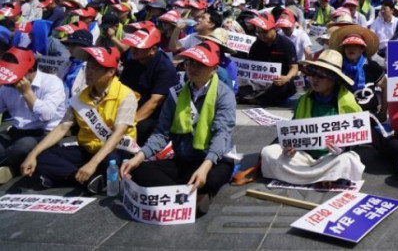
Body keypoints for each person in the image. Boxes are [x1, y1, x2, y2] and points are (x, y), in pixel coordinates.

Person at [121, 41, 237, 215]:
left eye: (200, 64)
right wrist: (138, 157)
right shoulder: (176, 93)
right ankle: (190, 196)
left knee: (212, 177)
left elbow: (222, 133)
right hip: (183, 158)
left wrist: (205, 167)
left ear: (213, 68)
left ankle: (186, 192)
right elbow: (161, 132)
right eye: (190, 62)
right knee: (139, 170)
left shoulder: (224, 95)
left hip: (213, 160)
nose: (193, 68)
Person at [21, 46, 138, 193]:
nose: (88, 72)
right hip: (88, 149)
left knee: (111, 161)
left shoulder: (126, 95)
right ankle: (85, 180)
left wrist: (93, 163)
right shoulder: (80, 97)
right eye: (87, 68)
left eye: (94, 69)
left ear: (110, 72)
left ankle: (66, 176)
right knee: (42, 156)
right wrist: (33, 154)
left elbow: (118, 134)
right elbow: (62, 127)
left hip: (115, 150)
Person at [260, 50, 365, 185]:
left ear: (333, 79)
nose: (314, 79)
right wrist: (291, 144)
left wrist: (344, 148)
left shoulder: (348, 101)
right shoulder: (304, 99)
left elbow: (357, 136)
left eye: (321, 76)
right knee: (269, 152)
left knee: (349, 160)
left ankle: (306, 177)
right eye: (312, 74)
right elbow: (294, 130)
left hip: (331, 157)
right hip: (304, 155)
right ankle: (325, 178)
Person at [0, 48, 66, 184]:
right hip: (17, 132)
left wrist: (27, 93)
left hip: (44, 134)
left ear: (30, 70)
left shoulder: (52, 82)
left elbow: (46, 115)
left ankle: (16, 164)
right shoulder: (7, 87)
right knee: (15, 146)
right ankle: (16, 164)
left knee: (22, 147)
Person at [119, 23, 180, 143]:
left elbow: (154, 102)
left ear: (153, 49)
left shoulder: (165, 68)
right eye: (132, 46)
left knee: (140, 130)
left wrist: (128, 124)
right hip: (130, 108)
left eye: (139, 47)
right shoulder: (133, 62)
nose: (133, 49)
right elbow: (121, 89)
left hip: (154, 117)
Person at [328, 23, 386, 117]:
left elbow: (385, 86)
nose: (351, 48)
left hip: (370, 115)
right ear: (343, 48)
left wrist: (383, 111)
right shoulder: (338, 67)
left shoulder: (371, 66)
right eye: (348, 45)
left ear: (362, 49)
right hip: (344, 116)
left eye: (355, 45)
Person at [242, 13, 299, 105]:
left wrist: (287, 78)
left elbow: (294, 67)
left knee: (281, 88)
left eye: (265, 32)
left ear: (274, 29)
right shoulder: (256, 45)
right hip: (260, 83)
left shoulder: (286, 44)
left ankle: (260, 100)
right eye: (258, 32)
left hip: (280, 82)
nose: (261, 35)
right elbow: (250, 66)